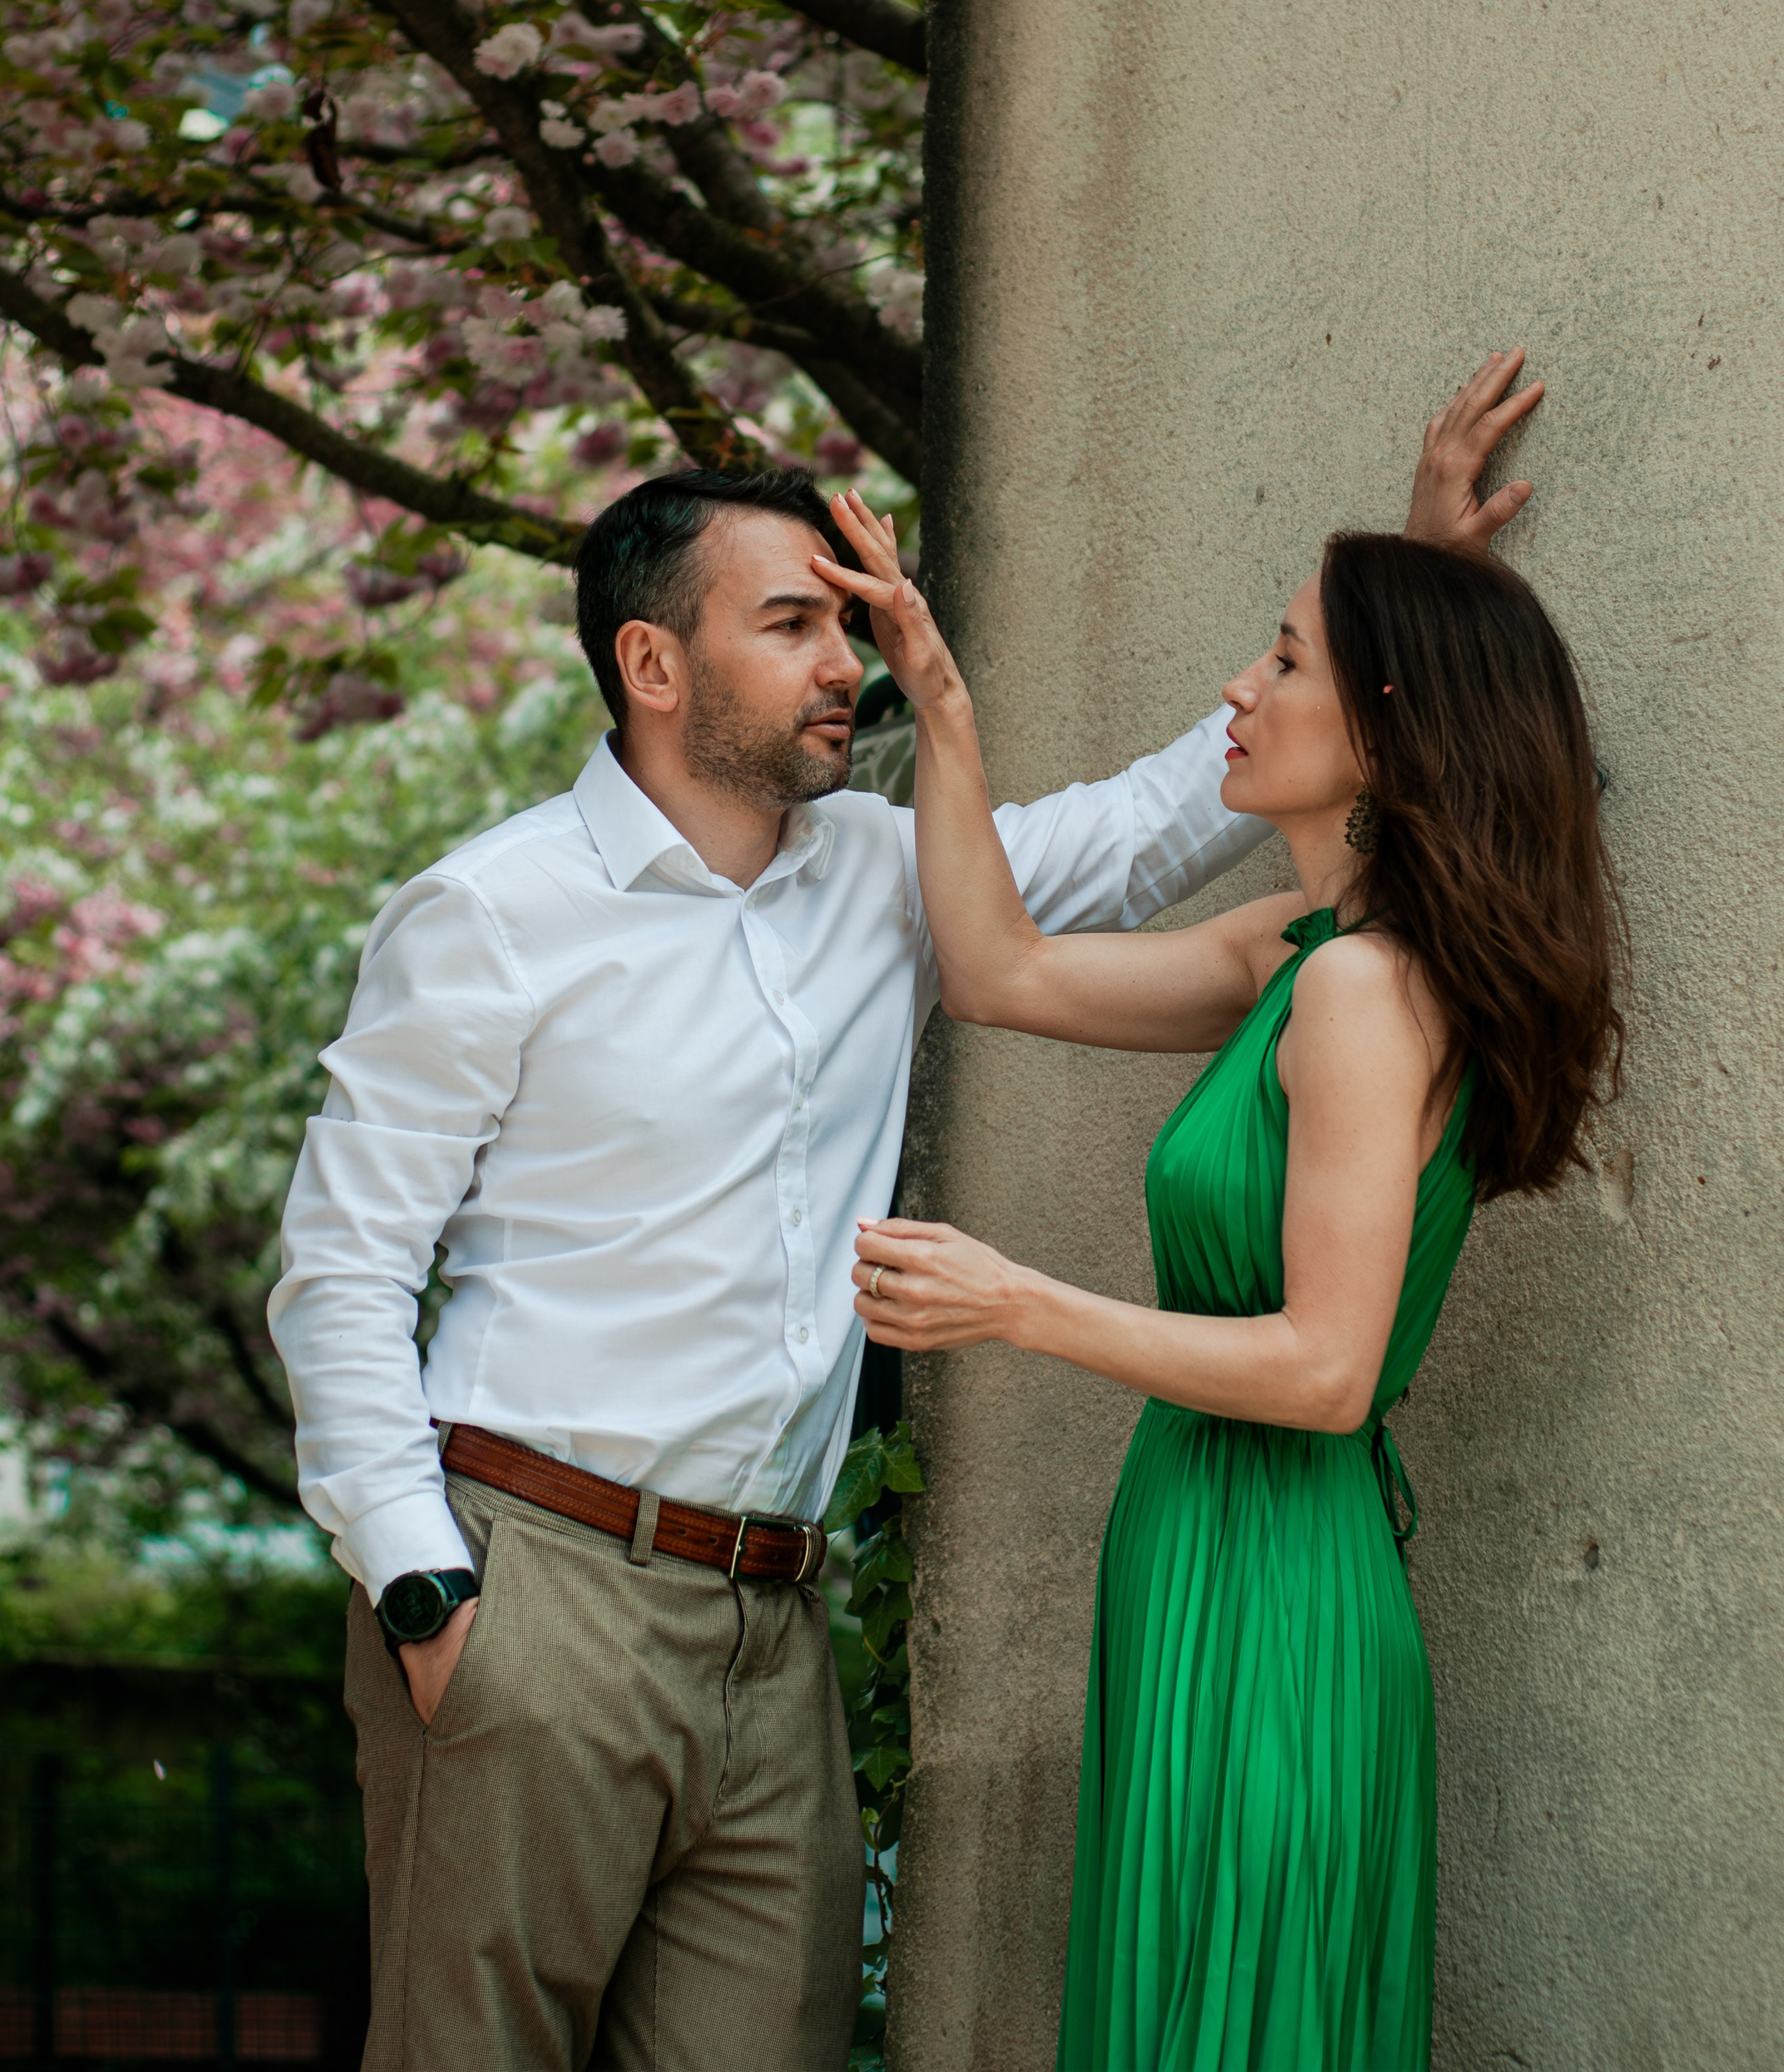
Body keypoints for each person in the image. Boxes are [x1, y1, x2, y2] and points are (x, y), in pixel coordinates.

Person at [268, 353, 1543, 2072]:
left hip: (771, 1621)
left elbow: (1159, 827)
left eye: (844, 624)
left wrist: (1407, 601)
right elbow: (342, 1269)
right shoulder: (490, 912)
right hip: (534, 1579)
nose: (840, 662)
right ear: (652, 662)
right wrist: (425, 1592)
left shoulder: (881, 875)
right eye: (792, 622)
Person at [826, 484, 1624, 2072]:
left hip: (1270, 1566)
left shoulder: (1355, 993)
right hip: (1200, 1537)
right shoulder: (1296, 951)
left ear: (1389, 733)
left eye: (1279, 660)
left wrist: (1014, 1301)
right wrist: (939, 692)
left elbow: (1327, 1372)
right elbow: (998, 966)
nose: (1233, 695)